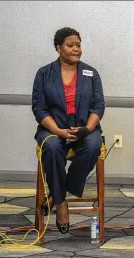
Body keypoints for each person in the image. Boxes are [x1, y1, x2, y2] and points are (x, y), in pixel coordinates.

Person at [32, 27, 104, 234]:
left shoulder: (91, 73)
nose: (76, 49)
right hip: (52, 128)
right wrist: (58, 131)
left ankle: (55, 194)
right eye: (70, 45)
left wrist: (87, 128)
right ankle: (62, 203)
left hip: (84, 128)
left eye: (78, 45)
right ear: (59, 48)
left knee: (93, 145)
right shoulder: (44, 73)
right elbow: (39, 108)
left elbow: (98, 105)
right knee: (52, 146)